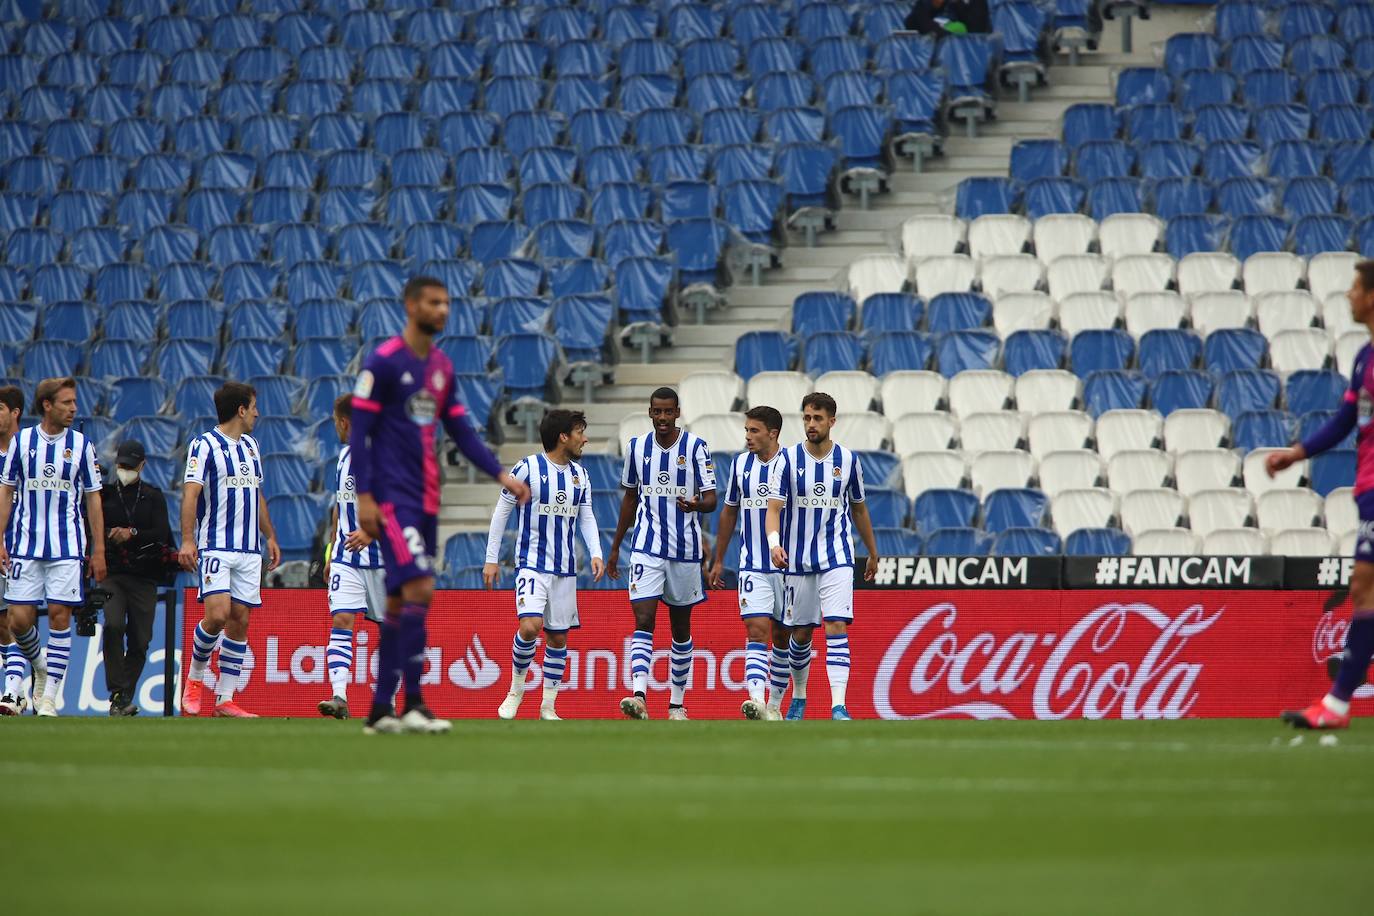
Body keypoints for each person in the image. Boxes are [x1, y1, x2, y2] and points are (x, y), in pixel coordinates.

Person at [350, 275, 530, 735]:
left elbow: (462, 430)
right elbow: (359, 433)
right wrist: (366, 496)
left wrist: (500, 473)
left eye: (447, 303)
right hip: (392, 497)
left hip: (427, 497)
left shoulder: (442, 367)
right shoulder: (384, 362)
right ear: (411, 305)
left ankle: (377, 711)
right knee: (421, 590)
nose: (443, 310)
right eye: (434, 302)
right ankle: (413, 702)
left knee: (397, 601)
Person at [1271, 260, 1374, 731]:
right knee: (1365, 590)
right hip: (1368, 490)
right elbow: (1344, 421)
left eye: (1355, 288)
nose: (1349, 296)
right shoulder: (1364, 359)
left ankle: (1336, 705)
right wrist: (1297, 453)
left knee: (1364, 588)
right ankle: (1335, 705)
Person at [764, 392, 880, 721]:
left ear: (832, 421)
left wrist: (871, 551)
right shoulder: (786, 460)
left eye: (817, 418)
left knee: (836, 625)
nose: (811, 424)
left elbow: (858, 508)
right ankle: (799, 696)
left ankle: (838, 705)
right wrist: (774, 543)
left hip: (837, 556)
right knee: (800, 634)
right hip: (797, 561)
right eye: (806, 418)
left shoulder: (848, 460)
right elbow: (773, 509)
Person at [486, 409, 604, 722]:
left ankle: (548, 706)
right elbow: (501, 512)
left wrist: (596, 552)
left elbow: (587, 516)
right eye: (580, 432)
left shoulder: (580, 475)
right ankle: (515, 691)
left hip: (565, 569)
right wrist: (491, 559)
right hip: (531, 565)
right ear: (563, 436)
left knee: (558, 638)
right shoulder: (527, 468)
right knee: (530, 626)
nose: (585, 439)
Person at [607, 387, 717, 720]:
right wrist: (615, 548)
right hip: (646, 547)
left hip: (685, 550)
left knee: (680, 628)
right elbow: (630, 500)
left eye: (669, 412)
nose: (663, 418)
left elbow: (712, 498)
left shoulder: (696, 448)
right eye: (657, 412)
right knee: (643, 619)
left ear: (678, 413)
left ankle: (677, 704)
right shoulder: (637, 448)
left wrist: (696, 504)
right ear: (650, 412)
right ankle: (639, 696)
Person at [0, 376, 107, 717]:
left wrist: (99, 549)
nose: (74, 408)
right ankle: (42, 666)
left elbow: (93, 500)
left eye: (74, 403)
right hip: (25, 545)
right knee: (17, 620)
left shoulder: (82, 446)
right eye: (66, 403)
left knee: (60, 617)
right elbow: (5, 493)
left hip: (67, 547)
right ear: (47, 405)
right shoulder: (23, 442)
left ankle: (48, 699)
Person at [178, 381, 281, 718]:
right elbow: (191, 494)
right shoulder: (203, 445)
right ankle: (193, 681)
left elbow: (256, 494)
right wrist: (188, 539)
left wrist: (270, 536)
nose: (257, 412)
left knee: (240, 620)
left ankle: (225, 700)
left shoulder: (251, 447)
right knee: (218, 615)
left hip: (249, 550)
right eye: (253, 406)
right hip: (216, 545)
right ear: (240, 410)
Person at [707, 406, 791, 721]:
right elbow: (729, 511)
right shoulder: (741, 464)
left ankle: (775, 705)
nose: (747, 437)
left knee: (783, 636)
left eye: (754, 431)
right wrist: (718, 558)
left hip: (788, 566)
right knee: (757, 630)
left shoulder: (792, 464)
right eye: (746, 430)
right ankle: (755, 700)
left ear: (773, 433)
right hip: (752, 563)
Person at [318, 395, 387, 720]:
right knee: (342, 620)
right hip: (347, 560)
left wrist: (372, 533)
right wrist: (332, 550)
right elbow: (339, 507)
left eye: (335, 422)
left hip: (384, 560)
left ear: (345, 423)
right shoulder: (344, 456)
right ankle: (339, 696)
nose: (335, 428)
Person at [100, 439, 172, 717]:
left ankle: (122, 696)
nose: (125, 470)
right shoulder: (104, 494)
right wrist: (109, 534)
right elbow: (89, 525)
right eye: (121, 465)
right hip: (113, 574)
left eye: (131, 465)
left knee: (141, 640)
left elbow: (162, 533)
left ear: (142, 465)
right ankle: (118, 690)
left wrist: (133, 534)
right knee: (114, 625)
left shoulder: (153, 496)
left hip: (144, 576)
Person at [0, 385, 26, 715]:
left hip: (19, 549)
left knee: (14, 620)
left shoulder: (28, 452)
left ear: (14, 413)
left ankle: (12, 690)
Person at [903, 0, 990, 34]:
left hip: (960, 54)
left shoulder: (977, 3)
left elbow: (977, 33)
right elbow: (910, 24)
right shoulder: (923, 5)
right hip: (931, 53)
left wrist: (958, 3)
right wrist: (933, 5)